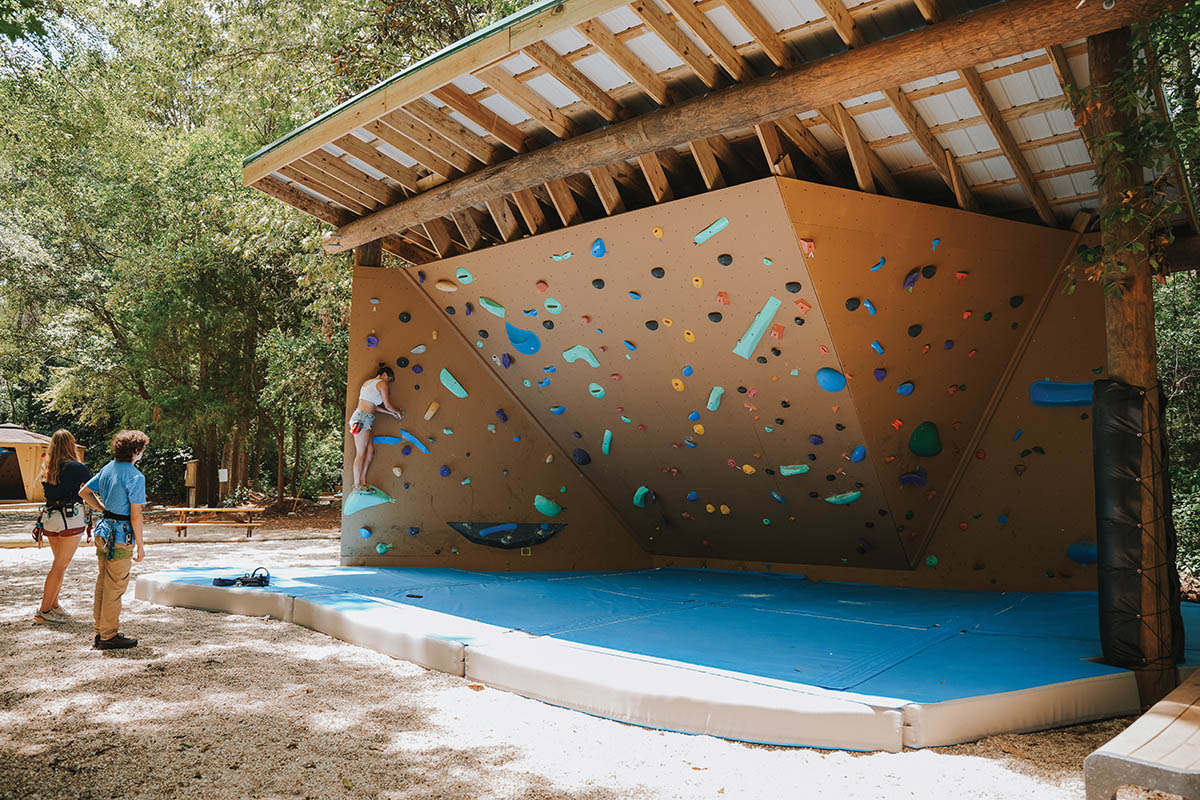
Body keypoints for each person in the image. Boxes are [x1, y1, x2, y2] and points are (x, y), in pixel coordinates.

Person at [78, 430, 149, 651]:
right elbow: (136, 515)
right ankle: (109, 635)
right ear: (136, 451)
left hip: (103, 531)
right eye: (142, 450)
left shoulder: (107, 469)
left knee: (103, 582)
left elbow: (84, 492)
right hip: (120, 535)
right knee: (115, 586)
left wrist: (102, 508)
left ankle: (101, 631)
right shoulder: (136, 476)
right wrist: (141, 545)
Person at [33, 429, 92, 624]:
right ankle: (43, 610)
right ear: (71, 444)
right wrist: (102, 507)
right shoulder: (77, 467)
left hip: (51, 518)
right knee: (59, 566)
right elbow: (91, 490)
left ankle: (55, 605)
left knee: (59, 564)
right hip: (70, 519)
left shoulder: (48, 467)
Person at [349, 364, 403, 489]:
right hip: (362, 419)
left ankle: (362, 480)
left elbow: (374, 406)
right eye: (388, 379)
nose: (388, 382)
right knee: (361, 454)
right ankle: (356, 485)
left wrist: (390, 413)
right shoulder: (381, 384)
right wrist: (397, 411)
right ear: (384, 374)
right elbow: (388, 404)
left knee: (370, 452)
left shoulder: (368, 383)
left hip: (362, 418)